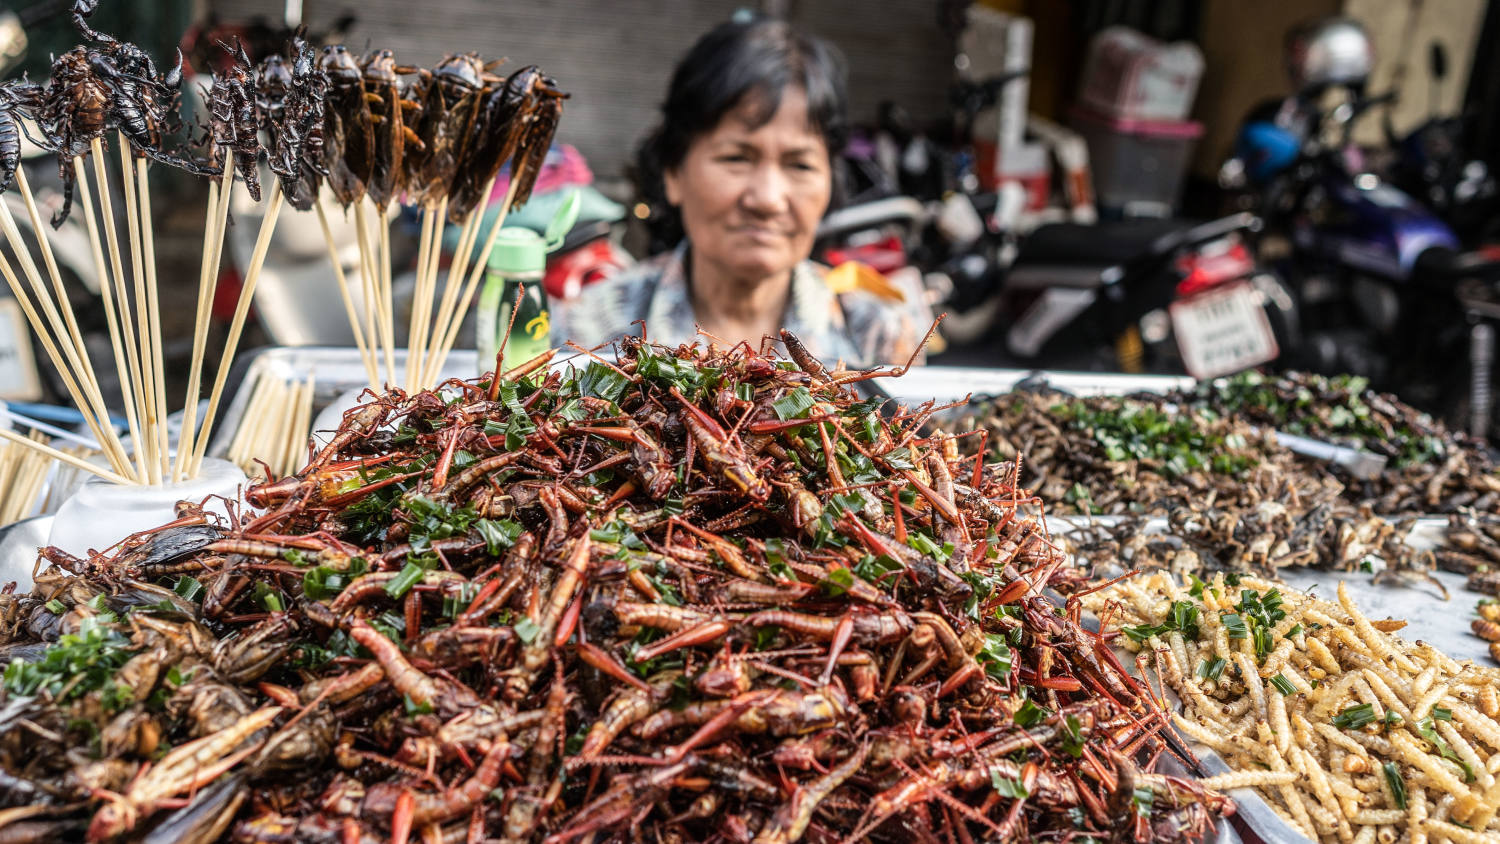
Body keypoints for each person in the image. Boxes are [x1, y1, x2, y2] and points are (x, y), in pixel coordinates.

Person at [552, 18, 934, 367]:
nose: (767, 199)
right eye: (736, 158)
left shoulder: (880, 337)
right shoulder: (588, 334)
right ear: (673, 172)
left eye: (800, 164)